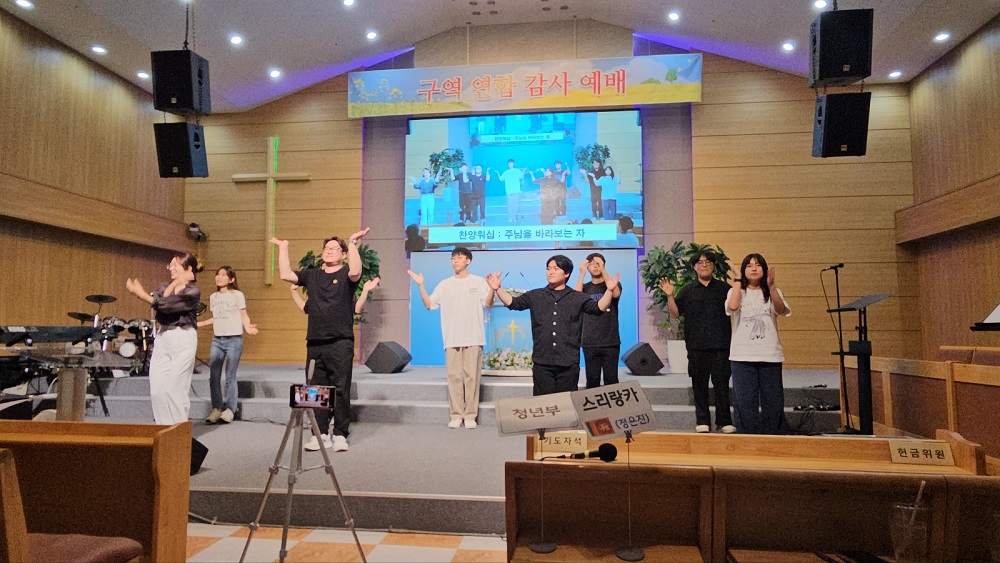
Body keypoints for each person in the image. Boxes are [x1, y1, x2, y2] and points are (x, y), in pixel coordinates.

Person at [271, 227, 370, 452]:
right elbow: (286, 274)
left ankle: (340, 434)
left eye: (335, 248)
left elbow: (356, 270)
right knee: (316, 390)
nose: (329, 250)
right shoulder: (313, 275)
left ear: (343, 254)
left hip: (340, 342)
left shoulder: (346, 274)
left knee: (341, 389)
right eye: (327, 248)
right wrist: (283, 248)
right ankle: (320, 434)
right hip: (315, 342)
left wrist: (352, 243)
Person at [487, 256, 619, 395]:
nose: (551, 272)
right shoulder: (536, 295)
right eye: (548, 268)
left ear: (566, 273)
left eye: (556, 268)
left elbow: (598, 308)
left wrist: (609, 291)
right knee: (543, 403)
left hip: (568, 362)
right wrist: (498, 289)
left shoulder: (577, 297)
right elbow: (513, 303)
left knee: (566, 403)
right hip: (542, 362)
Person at [407, 247, 494, 428]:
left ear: (468, 261)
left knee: (472, 377)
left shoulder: (478, 281)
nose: (455, 261)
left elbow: (488, 303)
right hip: (452, 337)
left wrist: (493, 289)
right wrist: (421, 285)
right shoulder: (445, 284)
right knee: (454, 377)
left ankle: (470, 415)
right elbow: (430, 304)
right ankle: (456, 415)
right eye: (453, 258)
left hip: (474, 336)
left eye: (459, 257)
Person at [661, 251, 735, 433]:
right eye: (700, 262)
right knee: (699, 385)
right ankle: (702, 420)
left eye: (708, 262)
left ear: (713, 265)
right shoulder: (687, 290)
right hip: (696, 346)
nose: (704, 265)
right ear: (694, 267)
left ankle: (724, 421)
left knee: (722, 385)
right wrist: (670, 296)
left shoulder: (725, 289)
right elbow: (675, 314)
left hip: (721, 345)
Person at [125, 253, 203, 425]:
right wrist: (147, 296)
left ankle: (179, 430)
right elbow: (158, 304)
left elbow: (166, 306)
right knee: (158, 391)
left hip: (183, 336)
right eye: (170, 265)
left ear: (188, 268)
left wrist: (142, 295)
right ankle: (164, 429)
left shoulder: (192, 291)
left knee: (175, 389)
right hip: (163, 336)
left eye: (176, 265)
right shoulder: (164, 287)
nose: (171, 268)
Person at [726, 253, 791, 435]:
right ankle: (748, 438)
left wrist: (771, 286)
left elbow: (781, 310)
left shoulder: (772, 291)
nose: (754, 268)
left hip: (769, 354)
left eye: (758, 265)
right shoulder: (736, 291)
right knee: (745, 401)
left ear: (764, 269)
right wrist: (737, 280)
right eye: (749, 265)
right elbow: (732, 307)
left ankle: (773, 436)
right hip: (742, 355)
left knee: (773, 400)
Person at [197, 266, 259, 424]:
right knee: (214, 376)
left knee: (230, 375)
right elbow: (217, 317)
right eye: (217, 274)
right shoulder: (213, 297)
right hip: (217, 340)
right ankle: (217, 408)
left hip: (234, 339)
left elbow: (243, 314)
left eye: (223, 275)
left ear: (231, 279)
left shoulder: (237, 295)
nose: (219, 277)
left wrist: (247, 327)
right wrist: (200, 324)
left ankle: (230, 409)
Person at [574, 253, 622, 389]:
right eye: (591, 264)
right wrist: (581, 274)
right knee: (592, 379)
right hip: (589, 341)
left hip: (610, 340)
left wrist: (604, 271)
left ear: (604, 265)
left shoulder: (612, 284)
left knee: (611, 380)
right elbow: (575, 299)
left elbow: (616, 293)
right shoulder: (585, 287)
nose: (595, 267)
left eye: (598, 264)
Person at [289, 277, 381, 315]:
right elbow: (306, 308)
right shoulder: (317, 294)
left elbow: (356, 308)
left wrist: (365, 290)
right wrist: (293, 291)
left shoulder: (343, 290)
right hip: (319, 340)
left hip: (339, 340)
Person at [497, 159, 527, 225]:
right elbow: (501, 179)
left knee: (516, 204)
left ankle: (514, 216)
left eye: (511, 163)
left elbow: (521, 177)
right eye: (509, 163)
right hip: (509, 191)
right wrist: (497, 173)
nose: (510, 164)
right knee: (510, 204)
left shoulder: (517, 170)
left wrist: (523, 171)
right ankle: (510, 217)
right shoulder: (506, 172)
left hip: (516, 190)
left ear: (513, 163)